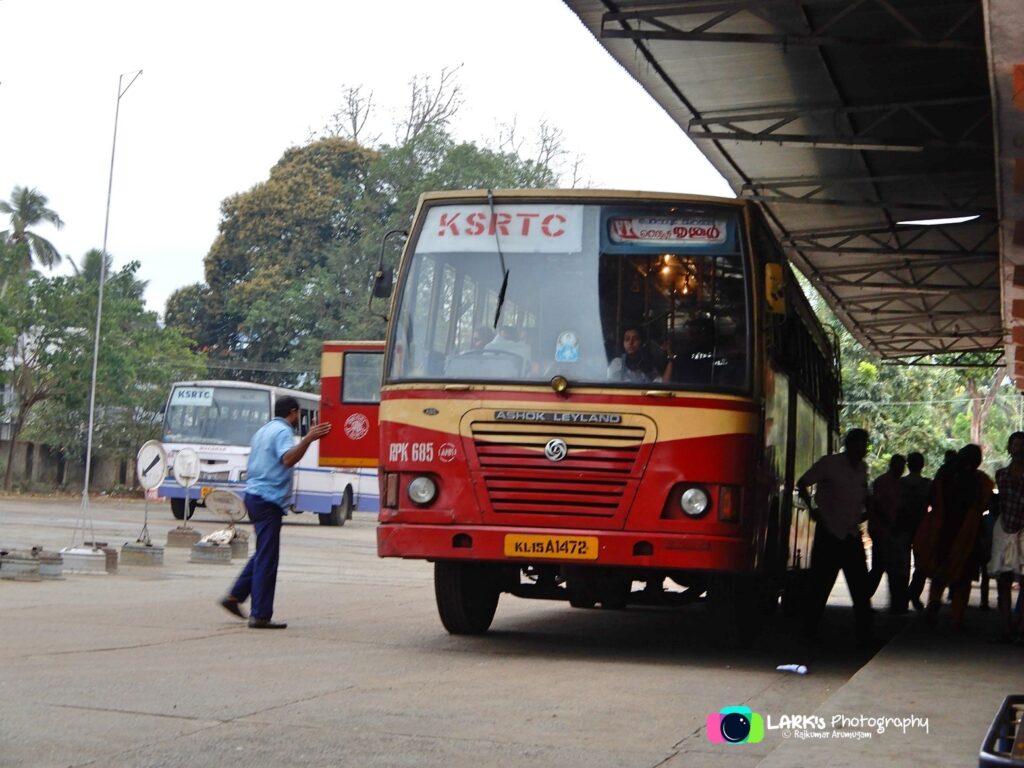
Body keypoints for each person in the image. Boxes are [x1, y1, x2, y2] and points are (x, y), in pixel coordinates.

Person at [220, 396, 332, 629]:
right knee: (268, 558)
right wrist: (310, 438)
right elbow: (288, 459)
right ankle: (260, 614)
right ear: (292, 413)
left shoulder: (263, 431)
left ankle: (235, 595)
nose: (299, 420)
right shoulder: (282, 432)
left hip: (254, 495)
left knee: (264, 552)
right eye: (299, 415)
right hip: (268, 498)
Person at [797, 428, 875, 648]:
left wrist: (867, 513)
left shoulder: (862, 468)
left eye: (865, 445)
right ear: (849, 445)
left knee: (860, 586)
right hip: (829, 532)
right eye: (860, 444)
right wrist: (812, 509)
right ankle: (808, 631)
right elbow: (802, 482)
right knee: (820, 585)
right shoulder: (829, 464)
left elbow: (864, 497)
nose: (863, 449)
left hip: (851, 533)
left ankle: (864, 633)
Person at [918, 444, 993, 631]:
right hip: (967, 532)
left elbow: (931, 498)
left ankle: (934, 603)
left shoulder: (944, 474)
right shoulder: (979, 481)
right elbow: (984, 504)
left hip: (943, 529)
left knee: (939, 572)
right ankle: (956, 618)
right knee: (963, 576)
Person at [991, 432, 1024, 641]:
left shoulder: (1003, 474)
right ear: (1009, 448)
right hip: (1003, 529)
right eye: (1015, 445)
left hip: (1022, 530)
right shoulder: (1001, 474)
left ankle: (1019, 627)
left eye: (1022, 446)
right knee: (1003, 580)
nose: (1018, 449)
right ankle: (1006, 626)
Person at [868, 454, 909, 613]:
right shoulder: (884, 482)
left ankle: (894, 603)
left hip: (887, 531)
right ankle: (866, 600)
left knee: (886, 568)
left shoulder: (894, 483)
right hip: (882, 531)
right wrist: (890, 525)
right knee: (883, 568)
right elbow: (877, 506)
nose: (901, 469)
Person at [900, 451, 933, 611]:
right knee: (921, 564)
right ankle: (913, 592)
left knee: (903, 563)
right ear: (922, 465)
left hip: (903, 526)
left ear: (908, 465)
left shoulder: (900, 483)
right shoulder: (927, 484)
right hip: (922, 527)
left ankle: (902, 598)